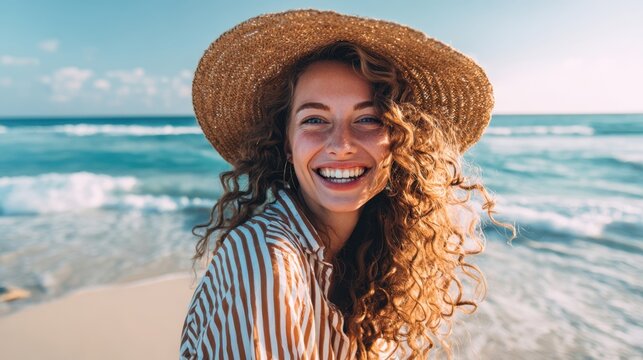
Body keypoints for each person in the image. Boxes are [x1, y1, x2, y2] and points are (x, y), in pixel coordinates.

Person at [181, 9, 512, 359]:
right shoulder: (265, 260)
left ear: (401, 141)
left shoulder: (373, 255)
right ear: (287, 145)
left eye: (368, 118)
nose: (341, 144)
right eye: (315, 120)